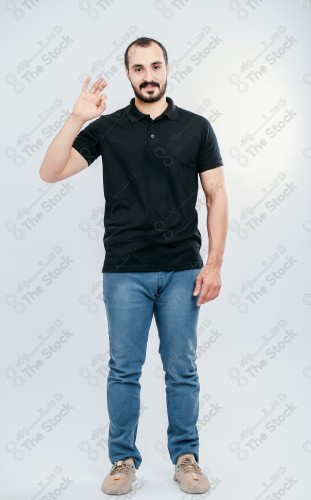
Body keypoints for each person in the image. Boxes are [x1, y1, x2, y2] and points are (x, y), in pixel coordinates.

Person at [39, 36, 228, 496]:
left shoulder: (197, 127)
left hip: (184, 268)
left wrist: (215, 265)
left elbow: (217, 194)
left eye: (155, 66)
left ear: (167, 69)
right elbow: (51, 171)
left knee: (181, 368)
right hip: (124, 271)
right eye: (139, 68)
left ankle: (186, 458)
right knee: (124, 368)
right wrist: (77, 117)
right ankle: (123, 461)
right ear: (128, 74)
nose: (149, 75)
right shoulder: (107, 128)